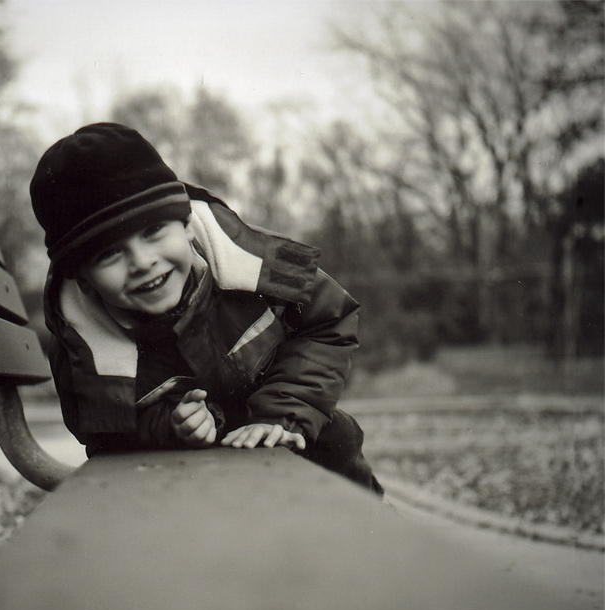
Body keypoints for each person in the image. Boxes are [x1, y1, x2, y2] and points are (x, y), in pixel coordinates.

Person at [30, 122, 383, 495]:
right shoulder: (80, 345)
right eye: (109, 253)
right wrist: (170, 426)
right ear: (83, 279)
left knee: (335, 435)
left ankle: (372, 522)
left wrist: (280, 416)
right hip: (181, 465)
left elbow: (332, 316)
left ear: (186, 225)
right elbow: (103, 433)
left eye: (153, 232)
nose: (142, 262)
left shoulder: (259, 258)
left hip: (277, 412)